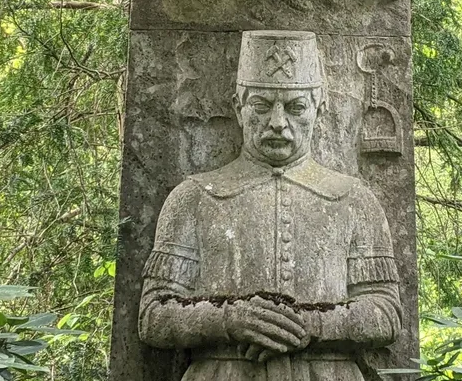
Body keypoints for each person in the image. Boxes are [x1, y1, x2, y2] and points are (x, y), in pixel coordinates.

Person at [138, 30, 402, 381]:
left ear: (319, 109)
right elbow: (153, 316)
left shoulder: (354, 199)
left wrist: (312, 325)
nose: (277, 123)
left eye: (296, 107)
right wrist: (229, 319)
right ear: (239, 108)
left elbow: (386, 313)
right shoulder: (193, 197)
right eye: (261, 106)